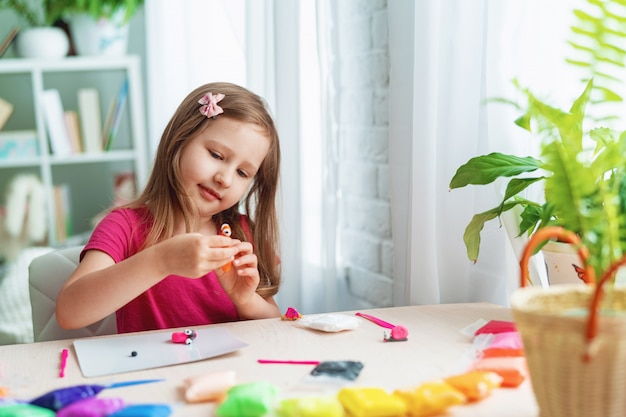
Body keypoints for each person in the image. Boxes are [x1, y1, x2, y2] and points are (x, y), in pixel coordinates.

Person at [56, 82, 282, 333]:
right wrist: (162, 260)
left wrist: (245, 301)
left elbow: (274, 325)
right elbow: (69, 313)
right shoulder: (124, 225)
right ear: (179, 140)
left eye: (242, 172)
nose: (225, 179)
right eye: (216, 155)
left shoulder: (241, 233)